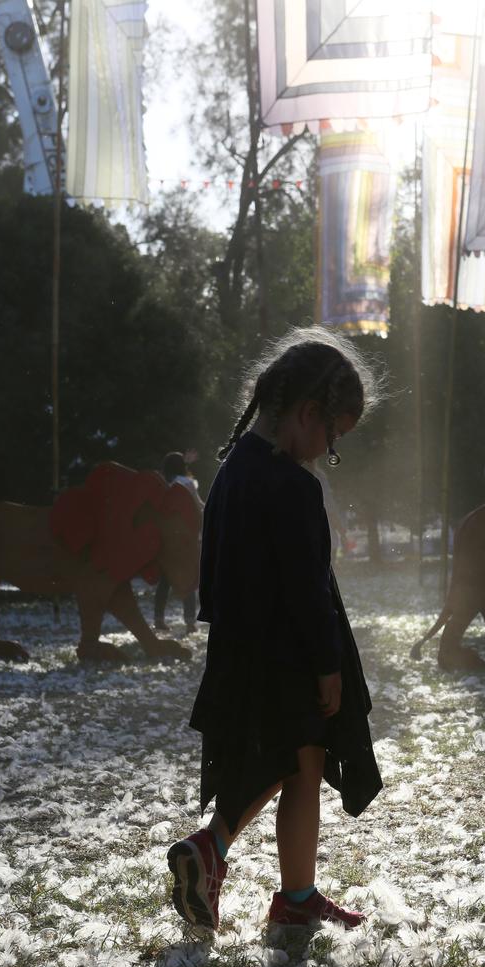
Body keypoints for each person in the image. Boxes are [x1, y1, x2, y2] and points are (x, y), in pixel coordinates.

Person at [167, 326, 383, 931]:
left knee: (299, 765)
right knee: (285, 762)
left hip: (243, 645)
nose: (326, 451)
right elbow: (306, 587)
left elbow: (217, 572)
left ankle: (295, 896)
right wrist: (327, 665)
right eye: (332, 436)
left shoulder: (233, 467)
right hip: (289, 655)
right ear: (308, 413)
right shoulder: (291, 484)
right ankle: (212, 849)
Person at [154, 451, 202, 633]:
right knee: (187, 577)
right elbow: (197, 508)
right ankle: (189, 622)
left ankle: (158, 619)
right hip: (183, 540)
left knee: (165, 581)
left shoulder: (161, 485)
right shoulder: (186, 484)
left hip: (165, 541)